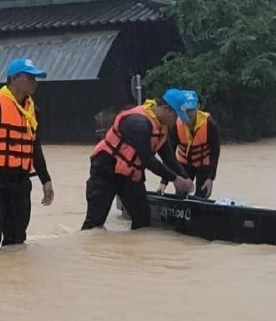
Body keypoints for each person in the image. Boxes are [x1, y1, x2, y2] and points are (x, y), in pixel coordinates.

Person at [0, 58, 54, 253]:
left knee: (17, 237)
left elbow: (34, 146)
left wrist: (45, 180)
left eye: (35, 78)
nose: (34, 82)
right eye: (30, 77)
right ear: (14, 79)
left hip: (21, 182)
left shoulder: (33, 111)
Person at [82, 89, 196, 230]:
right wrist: (175, 179)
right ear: (166, 109)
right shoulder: (138, 123)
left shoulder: (162, 127)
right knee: (95, 223)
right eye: (176, 116)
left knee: (142, 219)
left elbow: (168, 157)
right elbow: (147, 159)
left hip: (131, 174)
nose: (177, 121)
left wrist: (184, 177)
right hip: (106, 169)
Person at [161, 90, 221, 199]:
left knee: (202, 196)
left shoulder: (210, 126)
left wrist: (210, 178)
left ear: (198, 107)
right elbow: (169, 155)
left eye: (191, 110)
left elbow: (215, 153)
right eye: (185, 110)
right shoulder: (176, 126)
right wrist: (164, 181)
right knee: (180, 194)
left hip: (204, 165)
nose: (188, 114)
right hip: (184, 164)